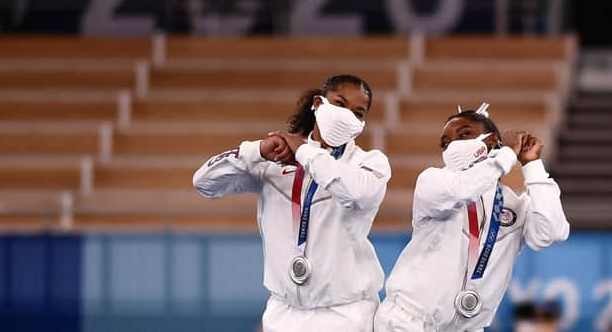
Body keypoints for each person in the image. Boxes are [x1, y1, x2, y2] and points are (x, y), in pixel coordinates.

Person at [193, 74, 391, 332]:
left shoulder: (369, 163)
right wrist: (257, 151)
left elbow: (354, 192)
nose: (346, 116)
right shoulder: (273, 162)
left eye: (358, 112)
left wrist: (304, 151)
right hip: (283, 315)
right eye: (340, 104)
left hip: (347, 314)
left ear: (362, 123)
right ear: (319, 104)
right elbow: (204, 183)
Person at [375, 103, 570, 332]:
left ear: (492, 141)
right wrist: (506, 155)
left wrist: (532, 166)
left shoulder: (515, 206)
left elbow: (551, 233)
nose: (452, 146)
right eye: (445, 143)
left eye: (464, 134)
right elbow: (463, 190)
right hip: (408, 323)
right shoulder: (432, 182)